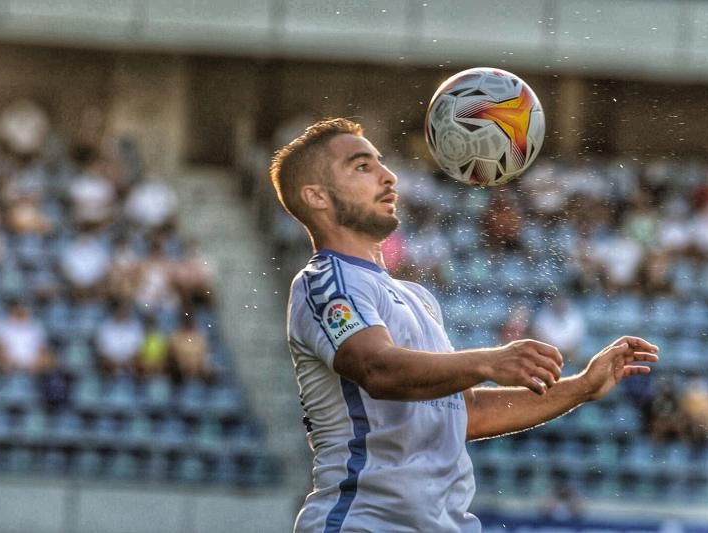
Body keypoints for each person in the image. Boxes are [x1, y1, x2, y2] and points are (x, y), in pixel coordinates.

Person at [270, 118, 659, 532]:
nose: (389, 176)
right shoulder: (325, 281)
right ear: (317, 196)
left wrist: (580, 387)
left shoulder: (417, 297)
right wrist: (489, 362)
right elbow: (377, 369)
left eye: (381, 163)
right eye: (362, 167)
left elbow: (465, 413)